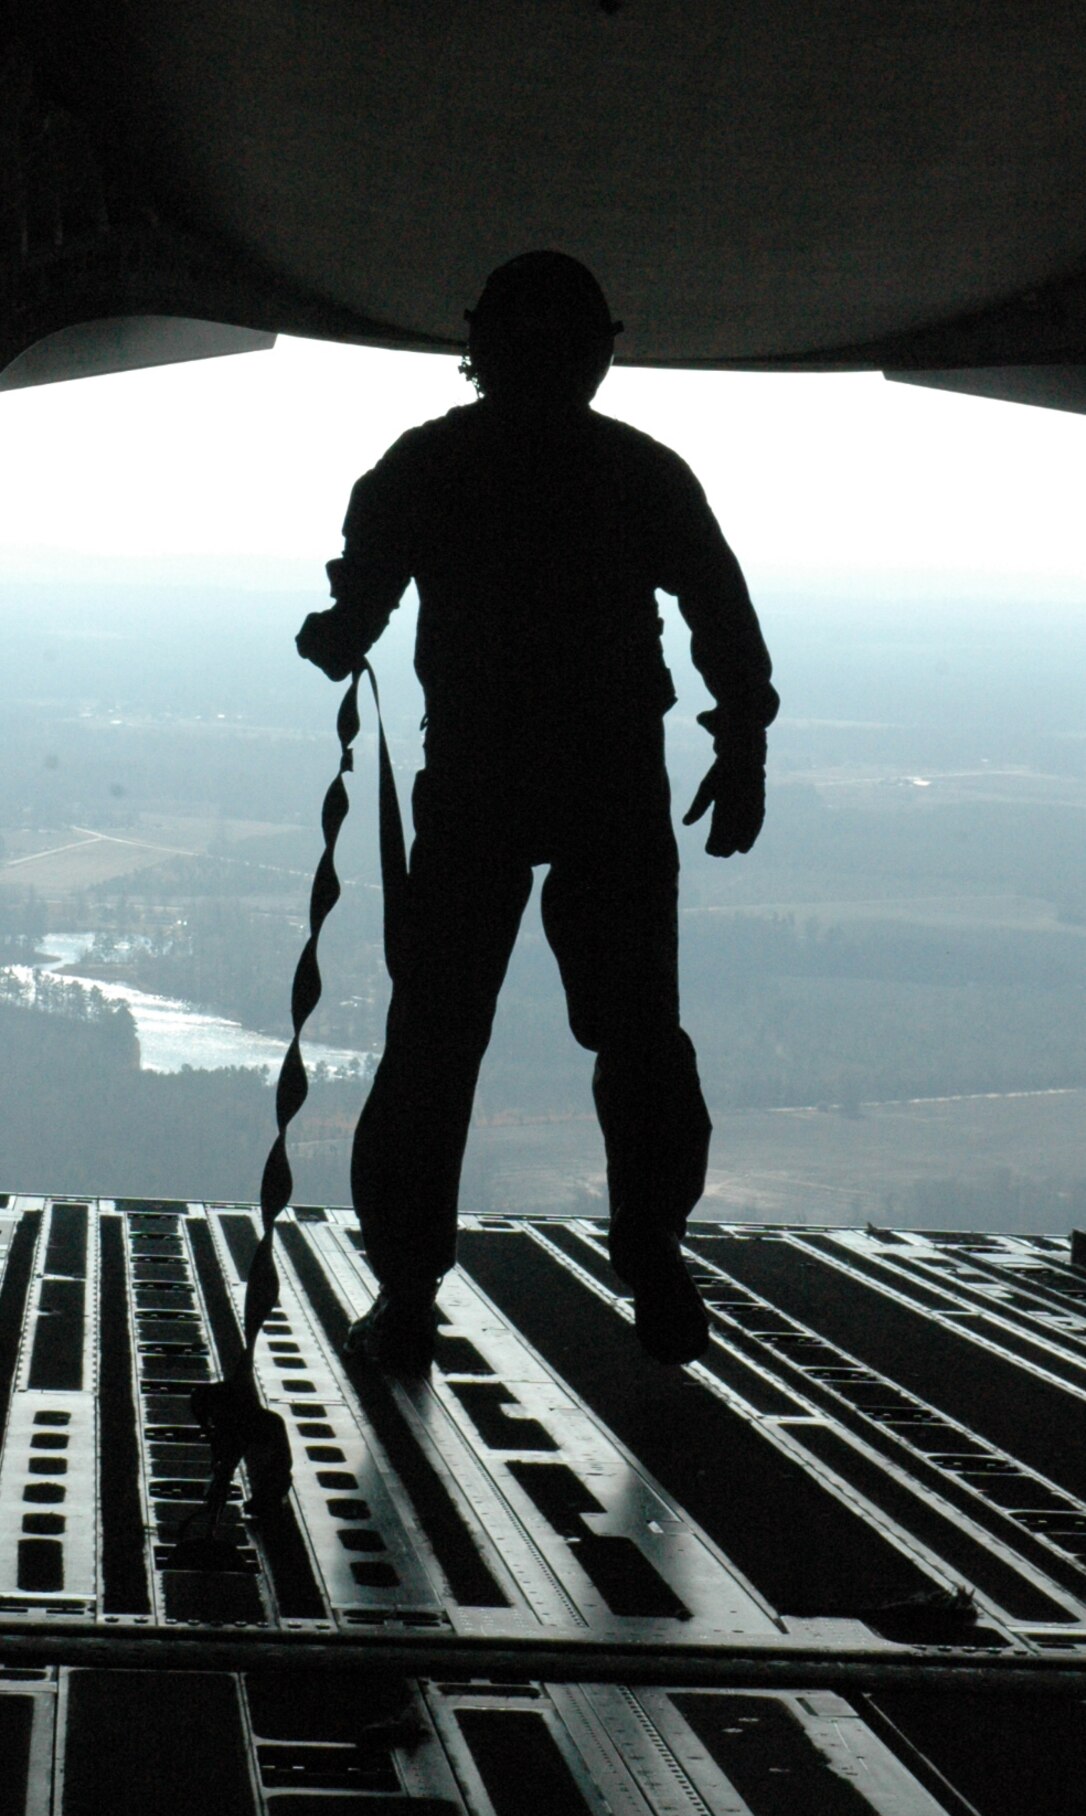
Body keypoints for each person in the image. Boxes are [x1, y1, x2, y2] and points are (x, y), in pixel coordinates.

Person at [296, 251, 778, 1373]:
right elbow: (719, 609)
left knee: (435, 1040)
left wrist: (338, 635)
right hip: (609, 780)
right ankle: (652, 1249)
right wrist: (741, 741)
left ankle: (408, 1295)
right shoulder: (640, 472)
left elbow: (352, 615)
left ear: (482, 350)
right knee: (638, 1035)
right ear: (599, 353)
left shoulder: (429, 464)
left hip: (477, 781)